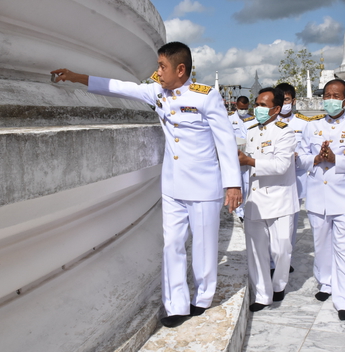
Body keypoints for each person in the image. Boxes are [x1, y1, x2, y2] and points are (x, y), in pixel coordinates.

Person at [50, 41, 242, 328]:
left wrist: (233, 185)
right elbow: (119, 86)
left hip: (203, 187)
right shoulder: (157, 91)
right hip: (173, 184)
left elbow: (226, 141)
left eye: (162, 66)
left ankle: (202, 297)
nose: (158, 71)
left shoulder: (206, 96)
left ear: (180, 69)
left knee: (203, 246)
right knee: (172, 244)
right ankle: (176, 304)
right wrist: (77, 77)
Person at [297, 79, 345, 321]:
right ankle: (325, 283)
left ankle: (342, 298)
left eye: (335, 96)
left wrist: (337, 160)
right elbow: (299, 157)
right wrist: (316, 159)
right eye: (327, 95)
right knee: (321, 245)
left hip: (344, 199)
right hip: (318, 196)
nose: (330, 100)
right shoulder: (311, 125)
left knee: (344, 249)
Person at [239, 87, 300, 312]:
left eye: (263, 105)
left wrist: (250, 161)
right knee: (256, 251)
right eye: (257, 103)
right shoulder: (250, 130)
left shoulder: (285, 132)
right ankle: (262, 295)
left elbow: (282, 165)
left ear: (275, 109)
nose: (258, 109)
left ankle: (279, 285)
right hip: (255, 199)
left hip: (280, 199)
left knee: (281, 249)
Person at [275, 82, 313, 270]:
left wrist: (299, 157)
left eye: (287, 99)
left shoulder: (304, 124)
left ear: (294, 101)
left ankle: (285, 259)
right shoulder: (269, 122)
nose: (284, 103)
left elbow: (308, 151)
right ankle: (272, 258)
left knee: (290, 223)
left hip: (295, 179)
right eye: (281, 99)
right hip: (273, 180)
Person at [229, 95, 257, 222]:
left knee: (247, 184)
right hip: (233, 156)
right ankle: (238, 211)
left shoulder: (253, 119)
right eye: (241, 108)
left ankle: (244, 209)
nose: (243, 111)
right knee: (236, 183)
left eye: (245, 108)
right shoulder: (229, 118)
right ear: (236, 106)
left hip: (248, 157)